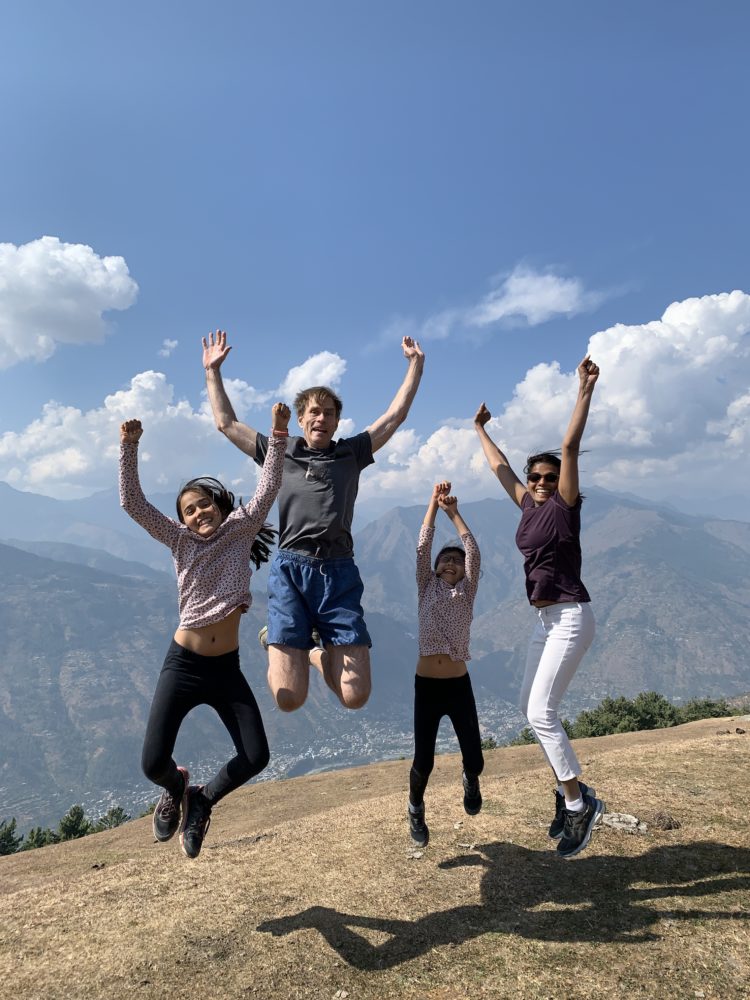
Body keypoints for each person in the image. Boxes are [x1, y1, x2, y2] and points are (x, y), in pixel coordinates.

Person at [203, 329, 425, 713]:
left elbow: (395, 416)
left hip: (339, 573)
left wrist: (416, 365)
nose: (321, 418)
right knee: (289, 699)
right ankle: (287, 642)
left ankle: (315, 652)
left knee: (355, 697)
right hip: (292, 569)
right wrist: (212, 372)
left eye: (329, 413)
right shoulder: (279, 451)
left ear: (337, 421)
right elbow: (227, 424)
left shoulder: (351, 453)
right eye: (314, 412)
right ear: (301, 419)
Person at [118, 402, 290, 858]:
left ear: (218, 503)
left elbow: (271, 483)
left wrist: (277, 433)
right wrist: (129, 447)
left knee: (256, 756)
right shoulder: (178, 540)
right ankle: (177, 786)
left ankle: (202, 800)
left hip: (226, 669)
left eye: (203, 505)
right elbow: (133, 504)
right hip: (184, 665)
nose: (197, 514)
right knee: (153, 763)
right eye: (189, 511)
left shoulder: (241, 528)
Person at [474, 355, 605, 859]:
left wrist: (584, 390)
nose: (542, 482)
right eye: (537, 476)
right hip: (544, 620)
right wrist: (479, 429)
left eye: (549, 476)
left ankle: (578, 805)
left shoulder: (564, 508)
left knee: (541, 712)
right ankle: (567, 793)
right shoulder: (528, 503)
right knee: (532, 709)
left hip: (571, 615)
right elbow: (499, 467)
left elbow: (570, 445)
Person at [408, 482, 484, 848]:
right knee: (424, 761)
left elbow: (473, 550)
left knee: (476, 758)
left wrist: (455, 513)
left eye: (456, 560)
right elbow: (423, 547)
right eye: (445, 559)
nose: (451, 562)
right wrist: (432, 506)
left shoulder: (467, 592)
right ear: (436, 568)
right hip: (427, 688)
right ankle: (415, 808)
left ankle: (471, 780)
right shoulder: (425, 586)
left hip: (458, 686)